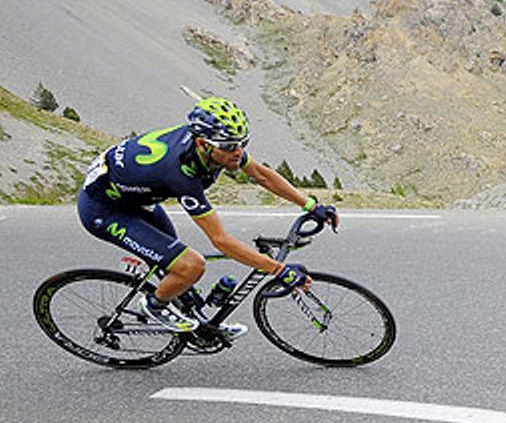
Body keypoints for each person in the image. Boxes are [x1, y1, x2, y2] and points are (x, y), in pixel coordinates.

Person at [77, 97, 338, 334]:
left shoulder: (216, 144)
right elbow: (220, 240)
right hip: (104, 211)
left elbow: (261, 174)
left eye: (242, 143)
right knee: (190, 265)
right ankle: (154, 305)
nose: (238, 152)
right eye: (230, 146)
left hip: (136, 200)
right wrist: (279, 270)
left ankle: (198, 321)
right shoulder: (181, 174)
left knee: (175, 259)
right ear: (203, 143)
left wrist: (310, 205)